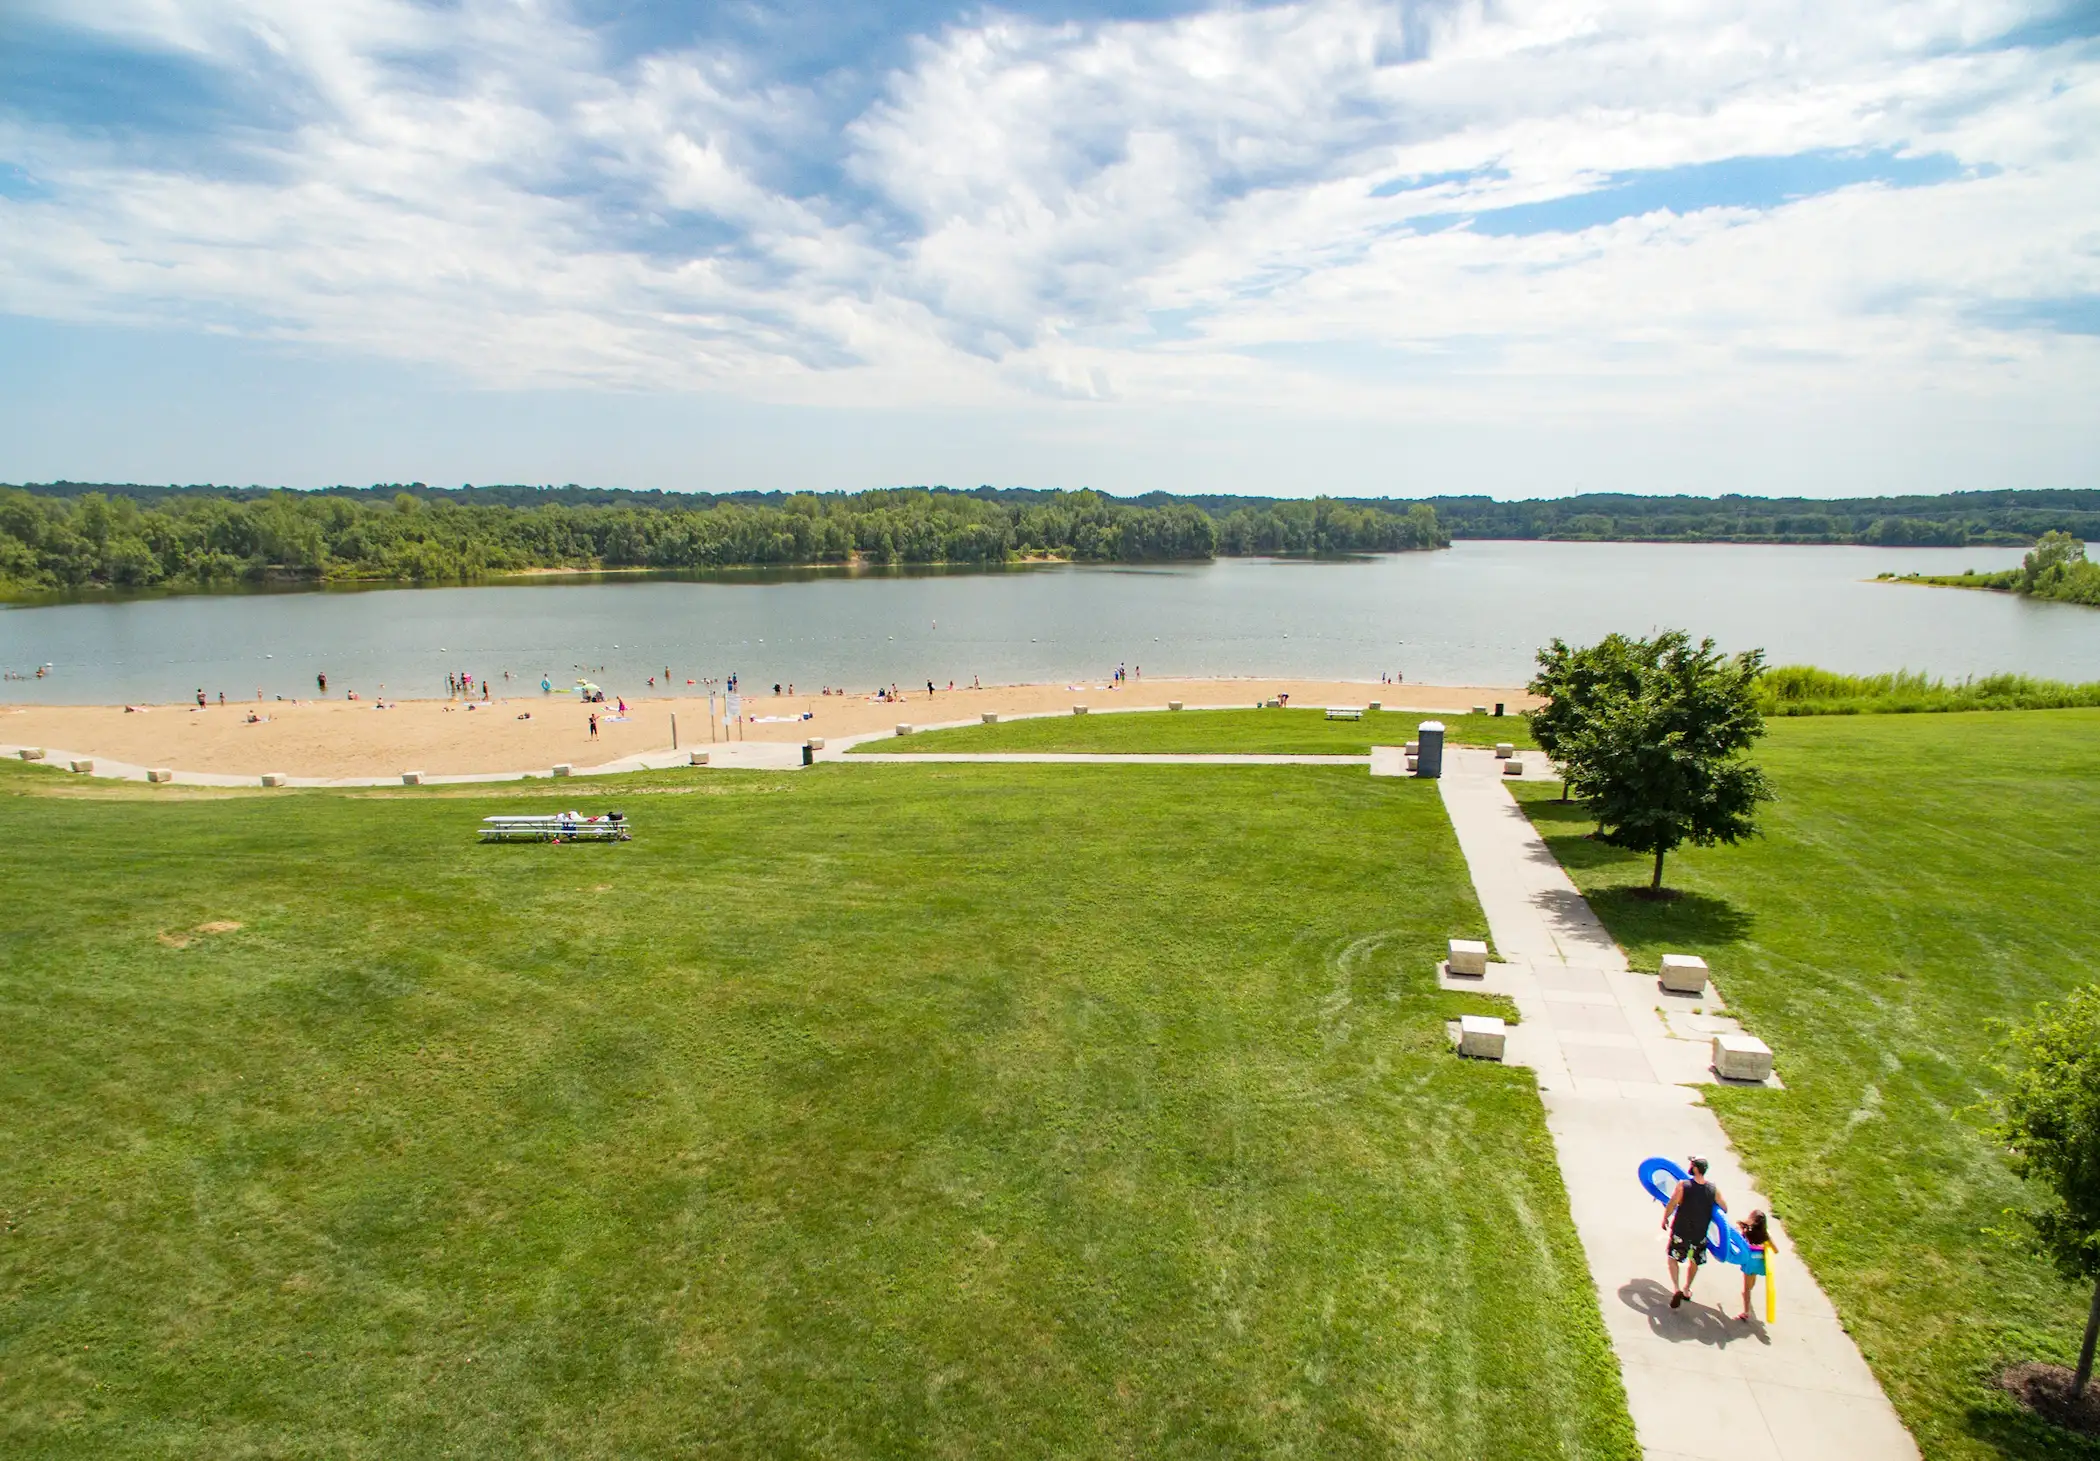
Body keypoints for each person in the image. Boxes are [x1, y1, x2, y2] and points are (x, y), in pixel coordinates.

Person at [1661, 1155, 1727, 1308]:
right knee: (1694, 1261)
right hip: (1700, 1233)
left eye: (1692, 1164)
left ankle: (1676, 1288)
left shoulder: (1683, 1185)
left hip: (1681, 1230)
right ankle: (1686, 1288)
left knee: (1672, 1258)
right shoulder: (1713, 1189)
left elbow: (1672, 1203)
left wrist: (1665, 1218)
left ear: (1695, 1168)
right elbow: (1724, 1208)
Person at [1736, 1210, 1775, 1322]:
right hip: (1759, 1262)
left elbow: (1741, 1242)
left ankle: (1746, 1312)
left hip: (1750, 1261)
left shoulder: (1747, 1232)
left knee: (1746, 1289)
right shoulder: (1766, 1236)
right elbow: (1775, 1250)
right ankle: (1747, 1294)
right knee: (1752, 1281)